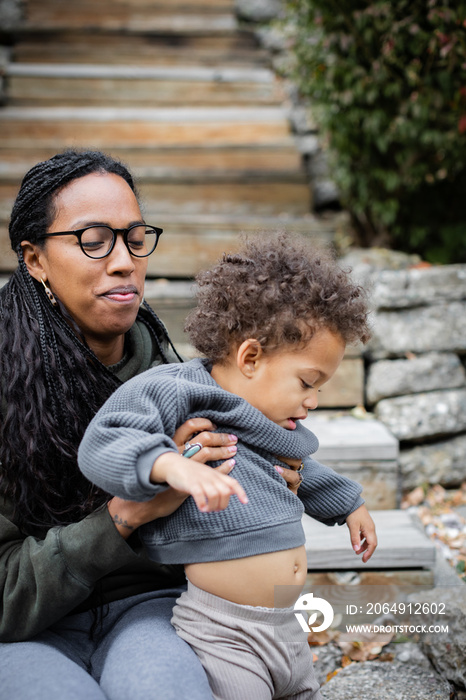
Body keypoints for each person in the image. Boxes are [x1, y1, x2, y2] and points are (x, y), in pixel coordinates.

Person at [0, 149, 264, 700]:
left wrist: (251, 488)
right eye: (93, 240)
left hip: (150, 611)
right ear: (35, 259)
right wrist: (122, 516)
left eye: (134, 237)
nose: (123, 261)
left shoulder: (176, 380)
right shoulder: (8, 388)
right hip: (25, 631)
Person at [78, 233, 378, 700]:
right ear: (251, 357)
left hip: (287, 626)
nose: (313, 400)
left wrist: (349, 504)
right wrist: (170, 466)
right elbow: (105, 440)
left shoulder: (268, 419)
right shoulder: (177, 389)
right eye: (307, 382)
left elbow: (300, 464)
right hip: (224, 632)